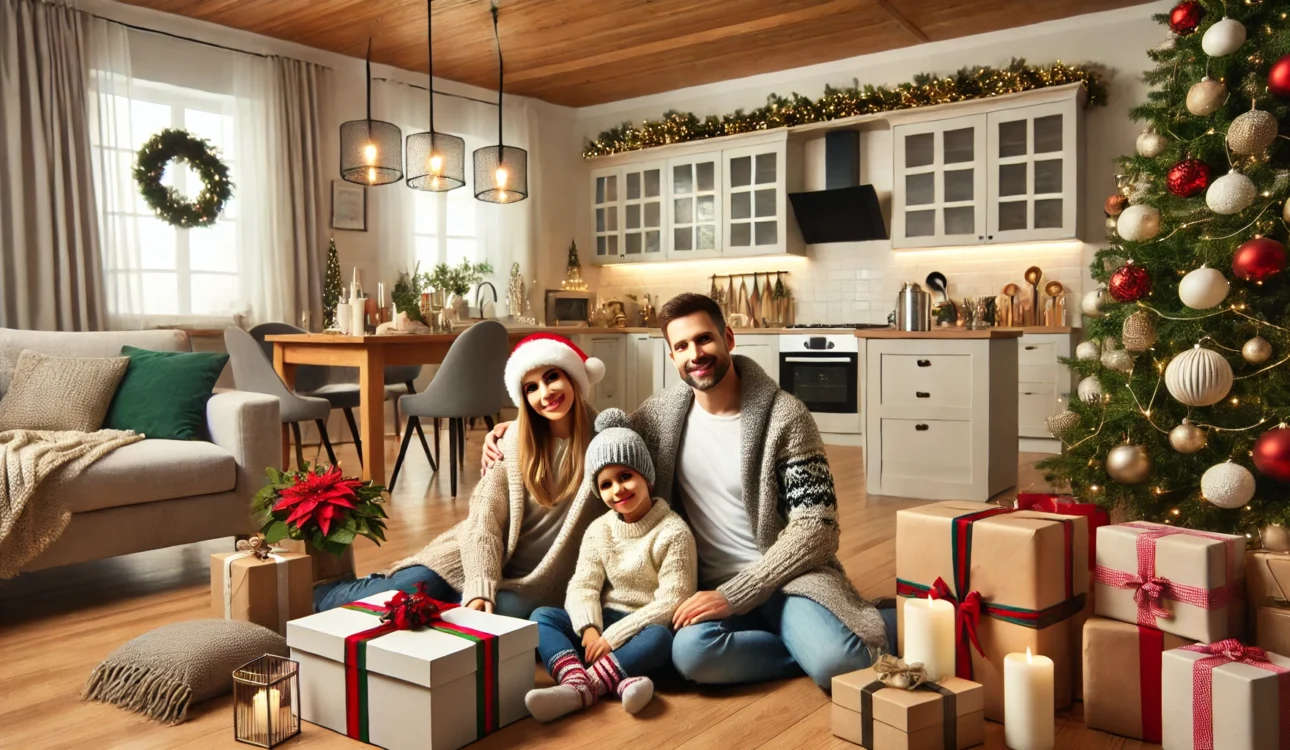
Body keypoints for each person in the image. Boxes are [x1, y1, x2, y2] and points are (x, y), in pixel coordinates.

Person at [485, 293, 895, 689]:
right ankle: (805, 643)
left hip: (785, 580)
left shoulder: (786, 417)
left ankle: (859, 631)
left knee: (837, 664)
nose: (695, 353)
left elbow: (818, 527)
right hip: (702, 590)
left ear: (728, 339)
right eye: (681, 345)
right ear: (672, 357)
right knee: (690, 656)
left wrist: (737, 594)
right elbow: (604, 432)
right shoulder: (660, 416)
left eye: (704, 339)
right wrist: (515, 428)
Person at [313, 333, 607, 617]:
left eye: (552, 377)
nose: (545, 394)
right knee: (405, 592)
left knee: (503, 614)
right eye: (531, 388)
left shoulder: (607, 443)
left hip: (529, 585)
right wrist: (480, 586)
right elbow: (484, 521)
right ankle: (323, 594)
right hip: (472, 560)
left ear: (574, 377)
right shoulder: (512, 444)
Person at [525, 408, 697, 722]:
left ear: (645, 475)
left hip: (645, 625)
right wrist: (590, 631)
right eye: (606, 485)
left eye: (625, 476)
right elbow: (583, 585)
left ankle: (581, 687)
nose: (618, 490)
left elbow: (674, 601)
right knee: (541, 617)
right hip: (603, 623)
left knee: (661, 640)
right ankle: (617, 681)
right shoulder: (599, 529)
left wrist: (613, 638)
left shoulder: (674, 531)